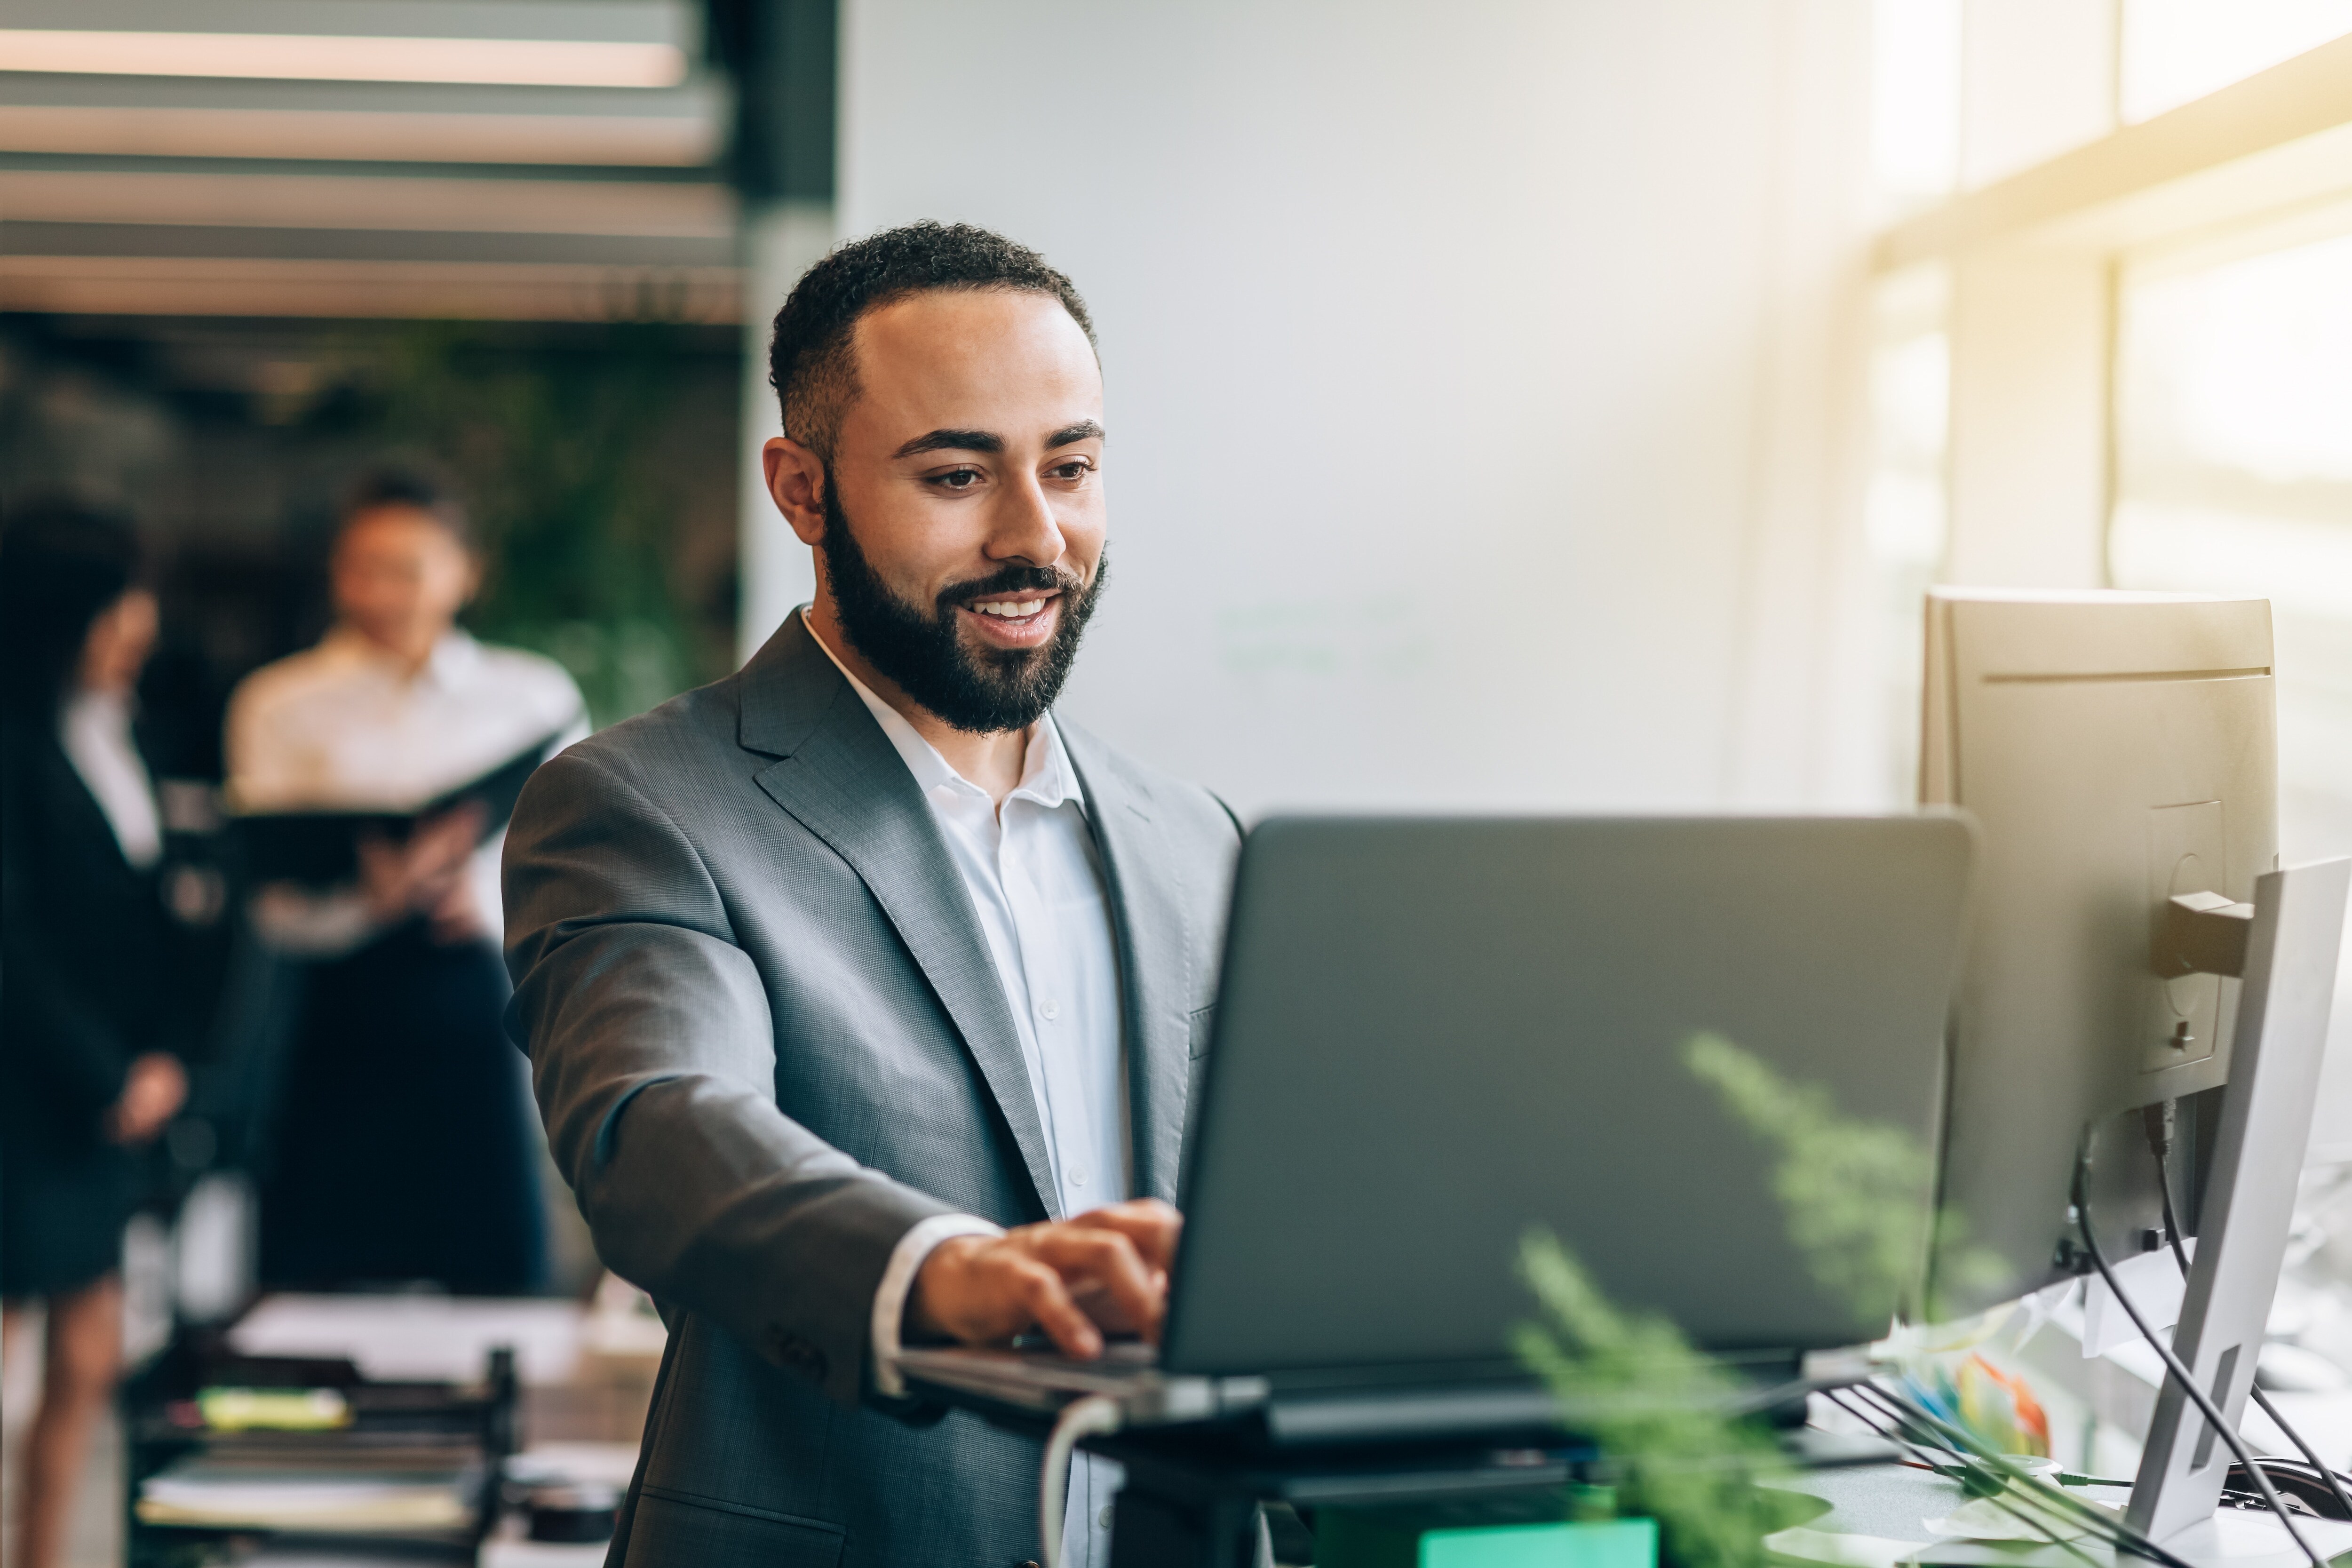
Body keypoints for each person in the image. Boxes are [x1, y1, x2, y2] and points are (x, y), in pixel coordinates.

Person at [504, 223, 1240, 1566]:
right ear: (801, 490)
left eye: (1069, 467)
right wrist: (947, 1273)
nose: (1036, 536)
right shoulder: (644, 802)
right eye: (957, 473)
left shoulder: (1198, 842)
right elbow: (660, 1127)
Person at [225, 469, 583, 1293]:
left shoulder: (530, 697)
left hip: (475, 996)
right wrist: (367, 895)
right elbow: (270, 893)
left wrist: (484, 898)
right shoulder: (278, 702)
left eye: (409, 568)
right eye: (362, 567)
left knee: (492, 1267)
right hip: (339, 1004)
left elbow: (577, 868)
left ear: (466, 570)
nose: (382, 591)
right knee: (319, 1274)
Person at [1, 503, 190, 1568]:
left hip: (107, 1092)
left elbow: (140, 917)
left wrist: (156, 1056)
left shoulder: (116, 729)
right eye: (121, 603)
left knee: (89, 1351)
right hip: (31, 1086)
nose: (140, 626)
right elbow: (8, 929)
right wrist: (103, 1068)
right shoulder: (12, 738)